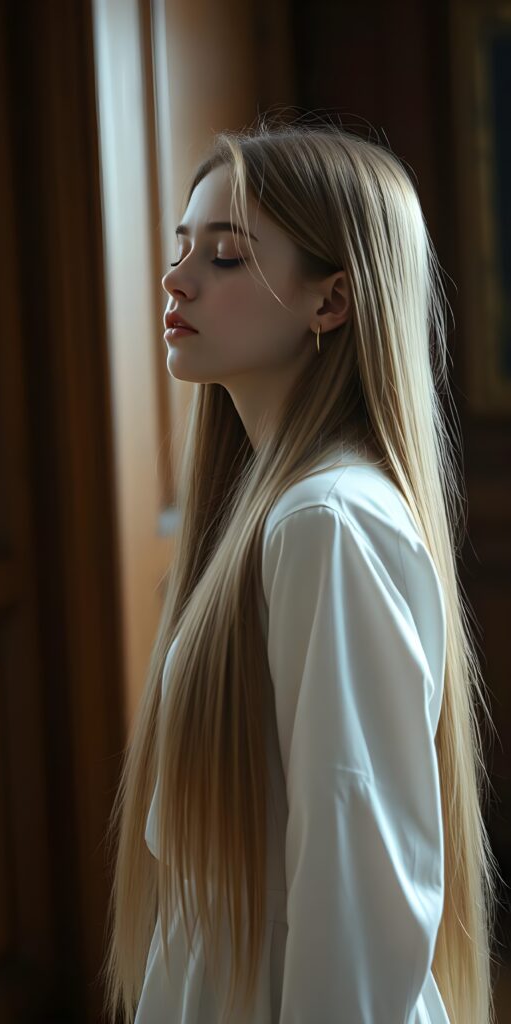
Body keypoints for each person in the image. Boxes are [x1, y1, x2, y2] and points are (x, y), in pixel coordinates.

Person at [100, 116, 500, 1023]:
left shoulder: (326, 524)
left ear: (332, 301)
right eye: (182, 249)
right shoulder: (274, 516)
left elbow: (357, 891)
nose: (175, 278)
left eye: (227, 256)